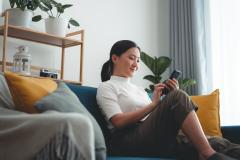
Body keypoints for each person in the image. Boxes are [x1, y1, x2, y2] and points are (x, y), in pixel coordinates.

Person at [96, 40, 239, 160]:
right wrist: (154, 104)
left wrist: (166, 99)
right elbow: (118, 122)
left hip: (155, 136)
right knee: (178, 96)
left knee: (219, 143)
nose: (136, 64)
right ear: (115, 58)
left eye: (138, 60)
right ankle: (207, 153)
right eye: (131, 58)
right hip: (127, 140)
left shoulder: (139, 89)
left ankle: (208, 148)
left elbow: (153, 117)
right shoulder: (106, 87)